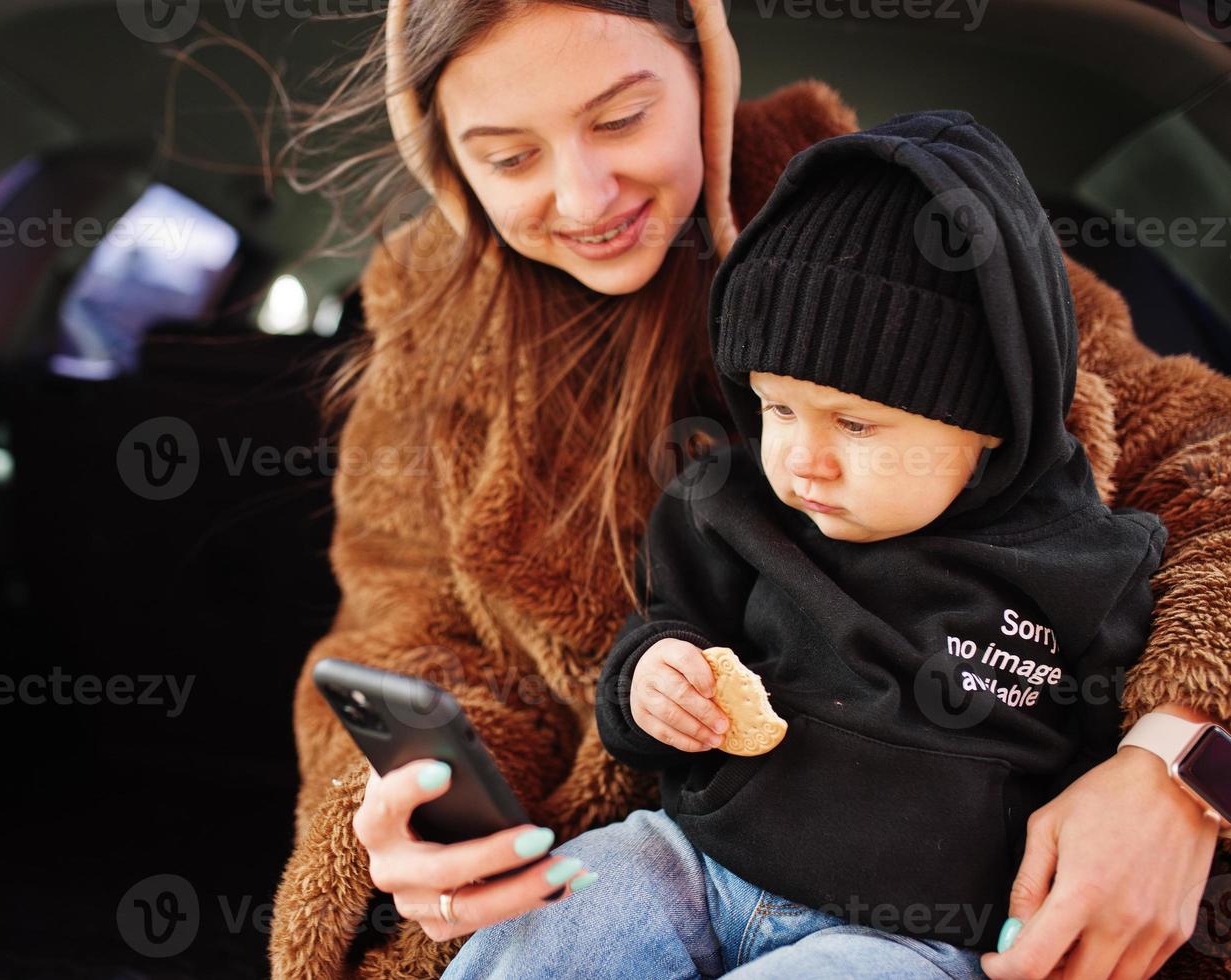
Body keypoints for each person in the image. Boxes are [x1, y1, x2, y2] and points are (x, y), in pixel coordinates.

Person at [266, 3, 1231, 978]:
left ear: (707, 71)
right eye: (509, 157)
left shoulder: (931, 244)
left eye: (619, 119)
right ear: (450, 166)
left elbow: (1211, 475)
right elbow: (402, 630)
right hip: (620, 875)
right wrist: (409, 806)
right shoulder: (435, 348)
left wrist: (1180, 764)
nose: (584, 191)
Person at [439, 111, 1171, 979]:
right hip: (691, 862)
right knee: (559, 917)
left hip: (909, 937)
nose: (802, 458)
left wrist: (1162, 774)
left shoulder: (1084, 566)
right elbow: (668, 624)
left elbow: (1122, 744)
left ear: (990, 426)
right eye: (776, 407)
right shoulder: (734, 505)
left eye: (856, 425)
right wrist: (651, 684)